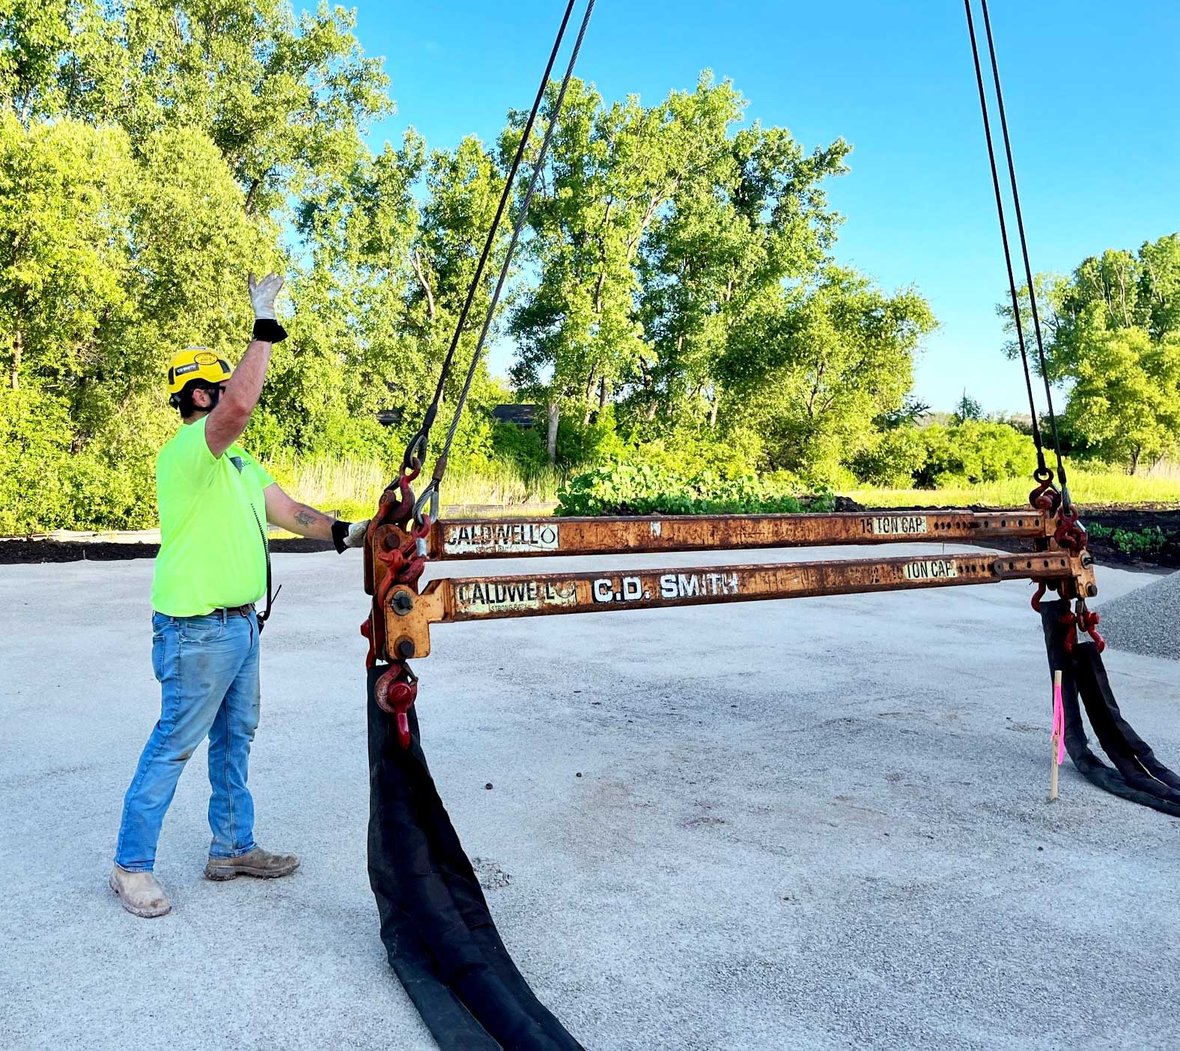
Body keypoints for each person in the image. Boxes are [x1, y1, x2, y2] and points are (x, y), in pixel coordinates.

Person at [109, 273, 369, 918]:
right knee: (174, 742)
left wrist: (354, 531)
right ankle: (130, 866)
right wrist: (264, 324)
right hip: (195, 629)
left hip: (241, 627)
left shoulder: (243, 466)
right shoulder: (188, 453)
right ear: (198, 394)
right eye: (218, 385)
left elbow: (293, 512)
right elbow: (239, 411)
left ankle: (232, 848)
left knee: (235, 738)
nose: (229, 392)